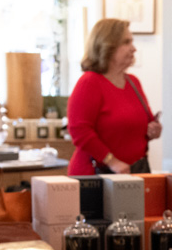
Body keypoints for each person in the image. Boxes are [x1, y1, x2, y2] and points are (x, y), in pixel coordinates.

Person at [67, 17, 162, 175]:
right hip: (96, 176)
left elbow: (142, 125)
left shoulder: (133, 82)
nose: (134, 49)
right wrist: (112, 161)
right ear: (107, 46)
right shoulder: (89, 82)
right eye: (126, 42)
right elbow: (79, 131)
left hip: (134, 172)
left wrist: (153, 130)